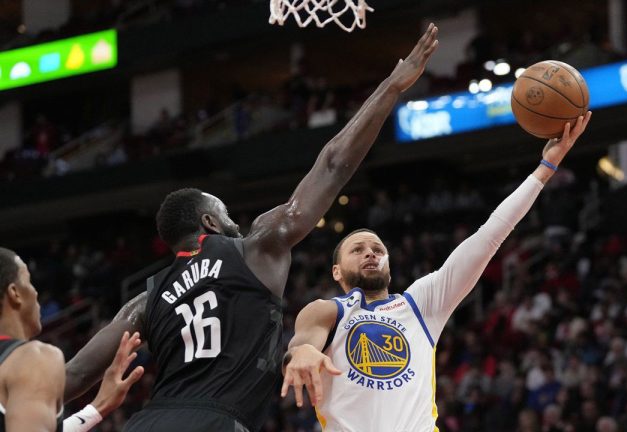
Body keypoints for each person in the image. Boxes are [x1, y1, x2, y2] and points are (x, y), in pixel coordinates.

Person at [62, 25, 440, 432]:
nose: (236, 223)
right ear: (210, 222)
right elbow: (332, 165)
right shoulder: (255, 248)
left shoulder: (144, 301)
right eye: (226, 214)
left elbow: (74, 376)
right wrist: (391, 88)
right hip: (218, 422)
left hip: (149, 422)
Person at [281, 112, 592, 431]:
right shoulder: (327, 312)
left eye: (377, 249)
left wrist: (545, 169)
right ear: (336, 271)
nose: (370, 253)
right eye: (358, 249)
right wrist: (301, 351)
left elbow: (490, 235)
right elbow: (302, 343)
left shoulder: (421, 303)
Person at [0, 247, 144, 432]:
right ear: (15, 293)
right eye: (29, 282)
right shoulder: (33, 358)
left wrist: (95, 409)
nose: (36, 293)